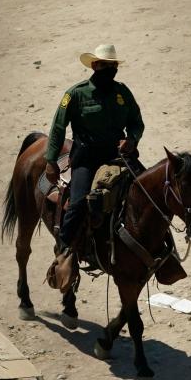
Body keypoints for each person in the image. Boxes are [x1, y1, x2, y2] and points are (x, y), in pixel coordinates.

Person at [44, 43, 145, 260]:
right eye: (106, 66)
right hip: (87, 159)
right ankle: (64, 249)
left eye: (113, 66)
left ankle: (163, 248)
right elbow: (58, 128)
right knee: (80, 201)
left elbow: (136, 122)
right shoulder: (75, 94)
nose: (111, 70)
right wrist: (51, 160)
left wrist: (132, 140)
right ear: (95, 65)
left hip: (118, 156)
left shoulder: (122, 92)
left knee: (147, 191)